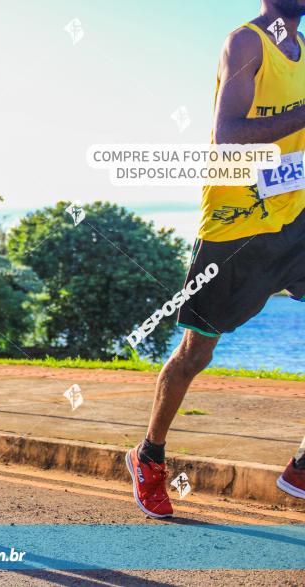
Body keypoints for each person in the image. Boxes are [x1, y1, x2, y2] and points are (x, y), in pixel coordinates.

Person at [127, 0, 305, 518]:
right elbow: (229, 135)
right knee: (195, 354)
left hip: (295, 217)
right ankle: (150, 455)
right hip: (239, 223)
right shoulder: (247, 41)